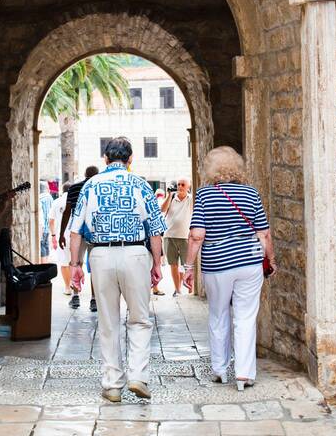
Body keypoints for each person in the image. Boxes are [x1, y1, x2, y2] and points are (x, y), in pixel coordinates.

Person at [69, 137, 166, 403]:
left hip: (100, 253)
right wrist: (157, 263)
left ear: (105, 159)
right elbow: (155, 230)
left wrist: (75, 265)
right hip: (135, 252)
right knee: (140, 318)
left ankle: (112, 384)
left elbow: (75, 229)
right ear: (131, 159)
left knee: (108, 321)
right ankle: (138, 376)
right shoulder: (141, 184)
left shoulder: (91, 185)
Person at [183, 147, 276, 392]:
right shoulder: (251, 194)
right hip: (249, 263)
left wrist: (188, 266)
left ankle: (220, 369)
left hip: (217, 265)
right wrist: (272, 259)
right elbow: (264, 233)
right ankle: (244, 374)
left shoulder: (204, 195)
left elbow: (196, 235)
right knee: (245, 317)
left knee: (218, 314)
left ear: (210, 169)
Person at [58, 166, 99, 311]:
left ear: (84, 174)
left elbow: (67, 212)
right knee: (94, 265)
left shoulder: (74, 188)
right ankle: (94, 299)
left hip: (77, 229)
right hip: (95, 230)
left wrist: (61, 233)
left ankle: (75, 296)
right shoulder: (98, 187)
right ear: (97, 174)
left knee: (75, 262)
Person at [161, 178, 193, 295]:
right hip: (170, 235)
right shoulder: (172, 198)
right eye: (178, 184)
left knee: (187, 265)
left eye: (182, 185)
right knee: (173, 264)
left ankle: (191, 289)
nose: (180, 186)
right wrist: (169, 196)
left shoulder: (191, 199)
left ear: (188, 187)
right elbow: (162, 209)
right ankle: (177, 290)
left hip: (185, 237)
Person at [39, 180, 52, 259]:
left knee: (42, 247)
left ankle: (43, 265)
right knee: (46, 246)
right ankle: (47, 264)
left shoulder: (40, 198)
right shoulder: (50, 198)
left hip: (42, 226)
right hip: (48, 226)